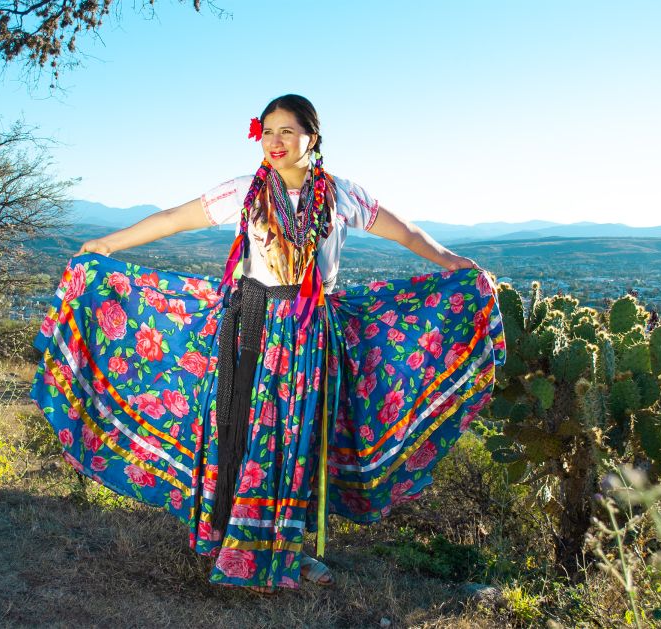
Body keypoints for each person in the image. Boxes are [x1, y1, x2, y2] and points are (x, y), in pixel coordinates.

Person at [32, 94, 505, 592]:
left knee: (297, 438)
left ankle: (288, 550)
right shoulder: (244, 190)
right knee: (239, 429)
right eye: (269, 131)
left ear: (311, 138)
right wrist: (109, 245)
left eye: (287, 132)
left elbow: (406, 234)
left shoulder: (342, 196)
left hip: (308, 331)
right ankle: (232, 539)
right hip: (249, 324)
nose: (275, 142)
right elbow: (174, 218)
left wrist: (451, 261)